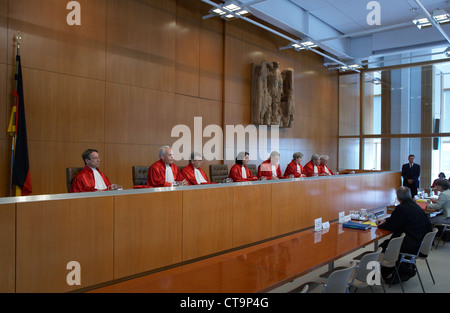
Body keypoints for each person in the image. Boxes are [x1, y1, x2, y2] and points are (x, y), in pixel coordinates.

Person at [376, 186, 432, 283]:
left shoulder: (401, 208)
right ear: (410, 195)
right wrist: (386, 220)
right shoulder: (414, 206)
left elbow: (392, 226)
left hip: (410, 243)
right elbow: (398, 220)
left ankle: (399, 271)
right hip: (419, 241)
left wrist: (380, 225)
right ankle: (400, 269)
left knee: (383, 246)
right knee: (387, 243)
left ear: (398, 197)